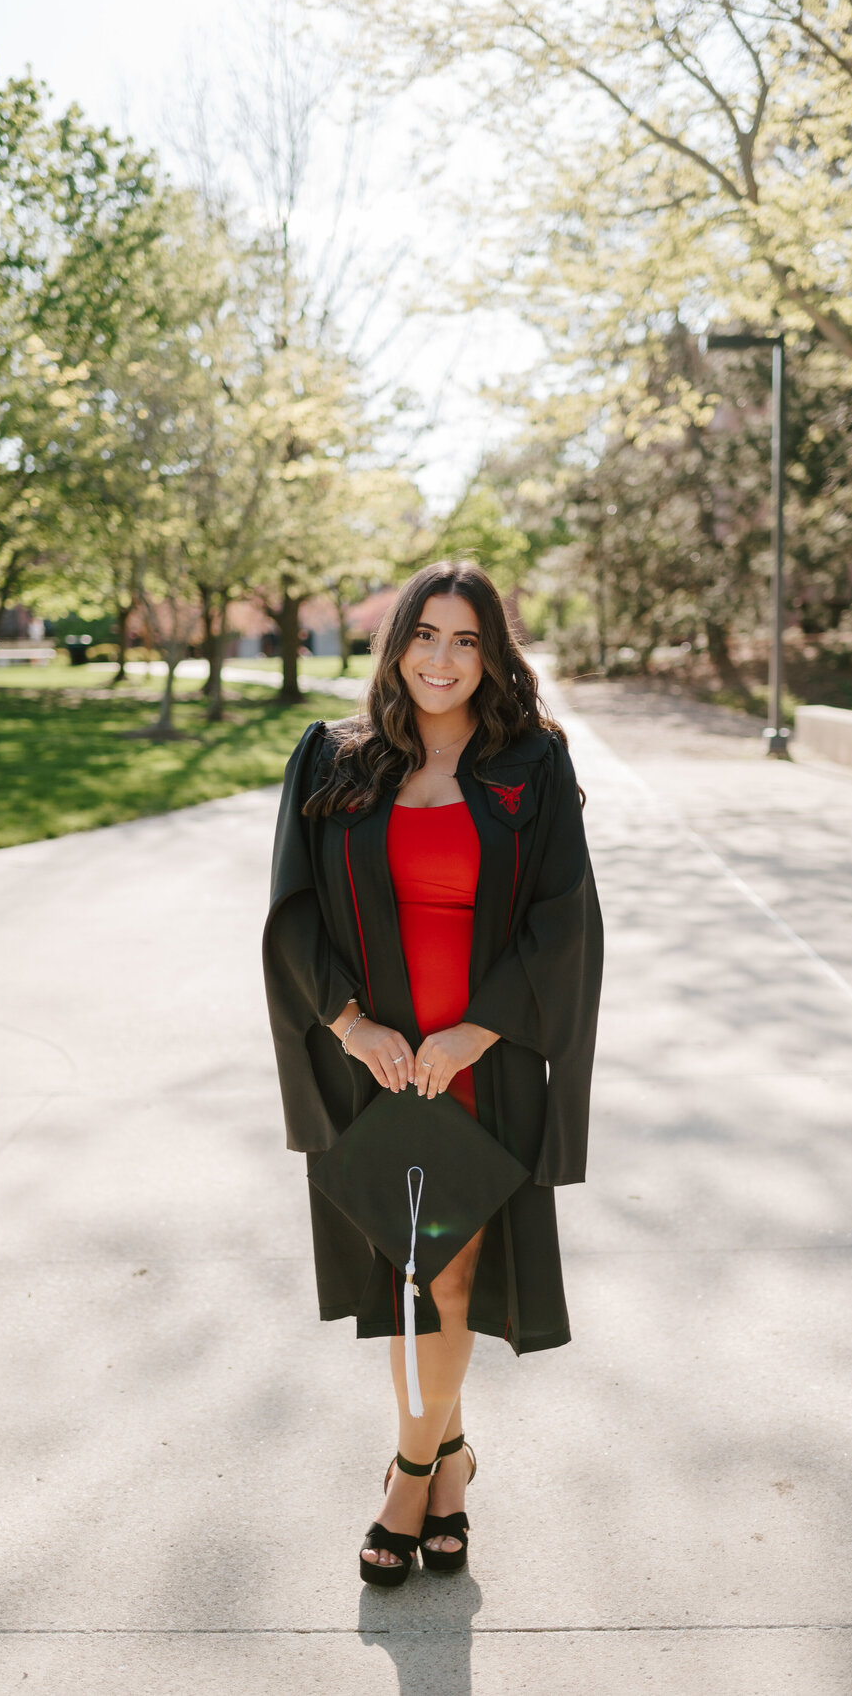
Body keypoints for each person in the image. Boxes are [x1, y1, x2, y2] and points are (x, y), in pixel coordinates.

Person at [263, 561, 603, 1586]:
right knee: (415, 1272)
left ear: (493, 654)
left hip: (474, 1071)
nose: (442, 659)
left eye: (466, 640)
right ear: (396, 641)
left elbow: (563, 918)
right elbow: (293, 916)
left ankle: (408, 1480)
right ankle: (452, 1463)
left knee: (442, 1274)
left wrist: (482, 1030)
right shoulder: (335, 759)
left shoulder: (529, 766)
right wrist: (352, 1023)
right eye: (426, 635)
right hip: (381, 1068)